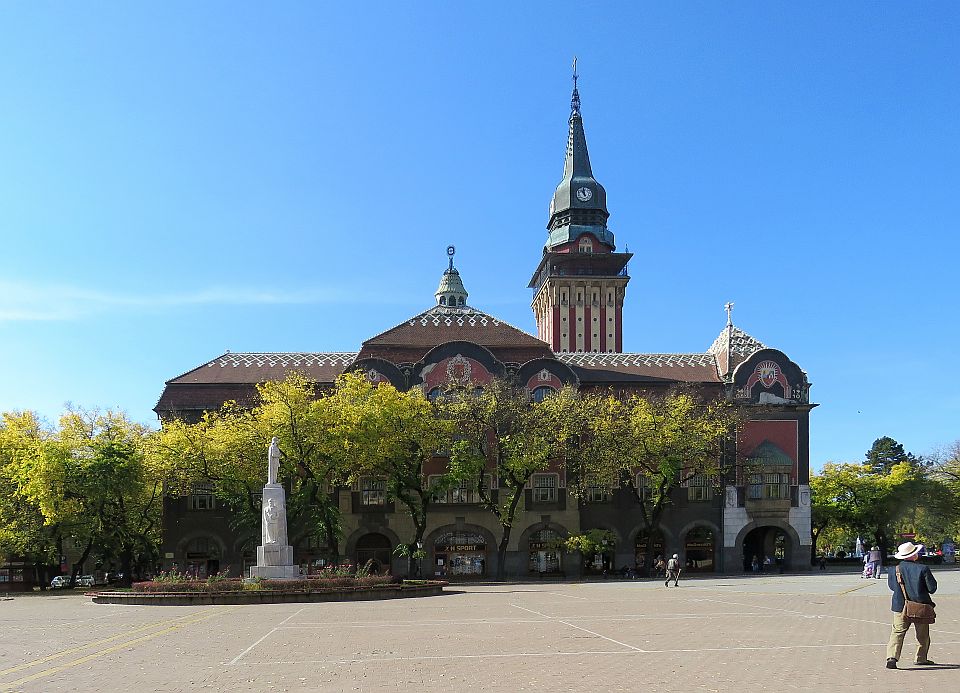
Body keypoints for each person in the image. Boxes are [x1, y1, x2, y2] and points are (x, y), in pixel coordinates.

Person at [885, 541, 937, 669]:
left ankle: (892, 657)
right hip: (920, 606)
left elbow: (892, 587)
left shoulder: (894, 569)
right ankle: (920, 658)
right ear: (913, 555)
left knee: (897, 632)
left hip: (900, 605)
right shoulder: (923, 568)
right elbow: (932, 588)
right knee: (922, 634)